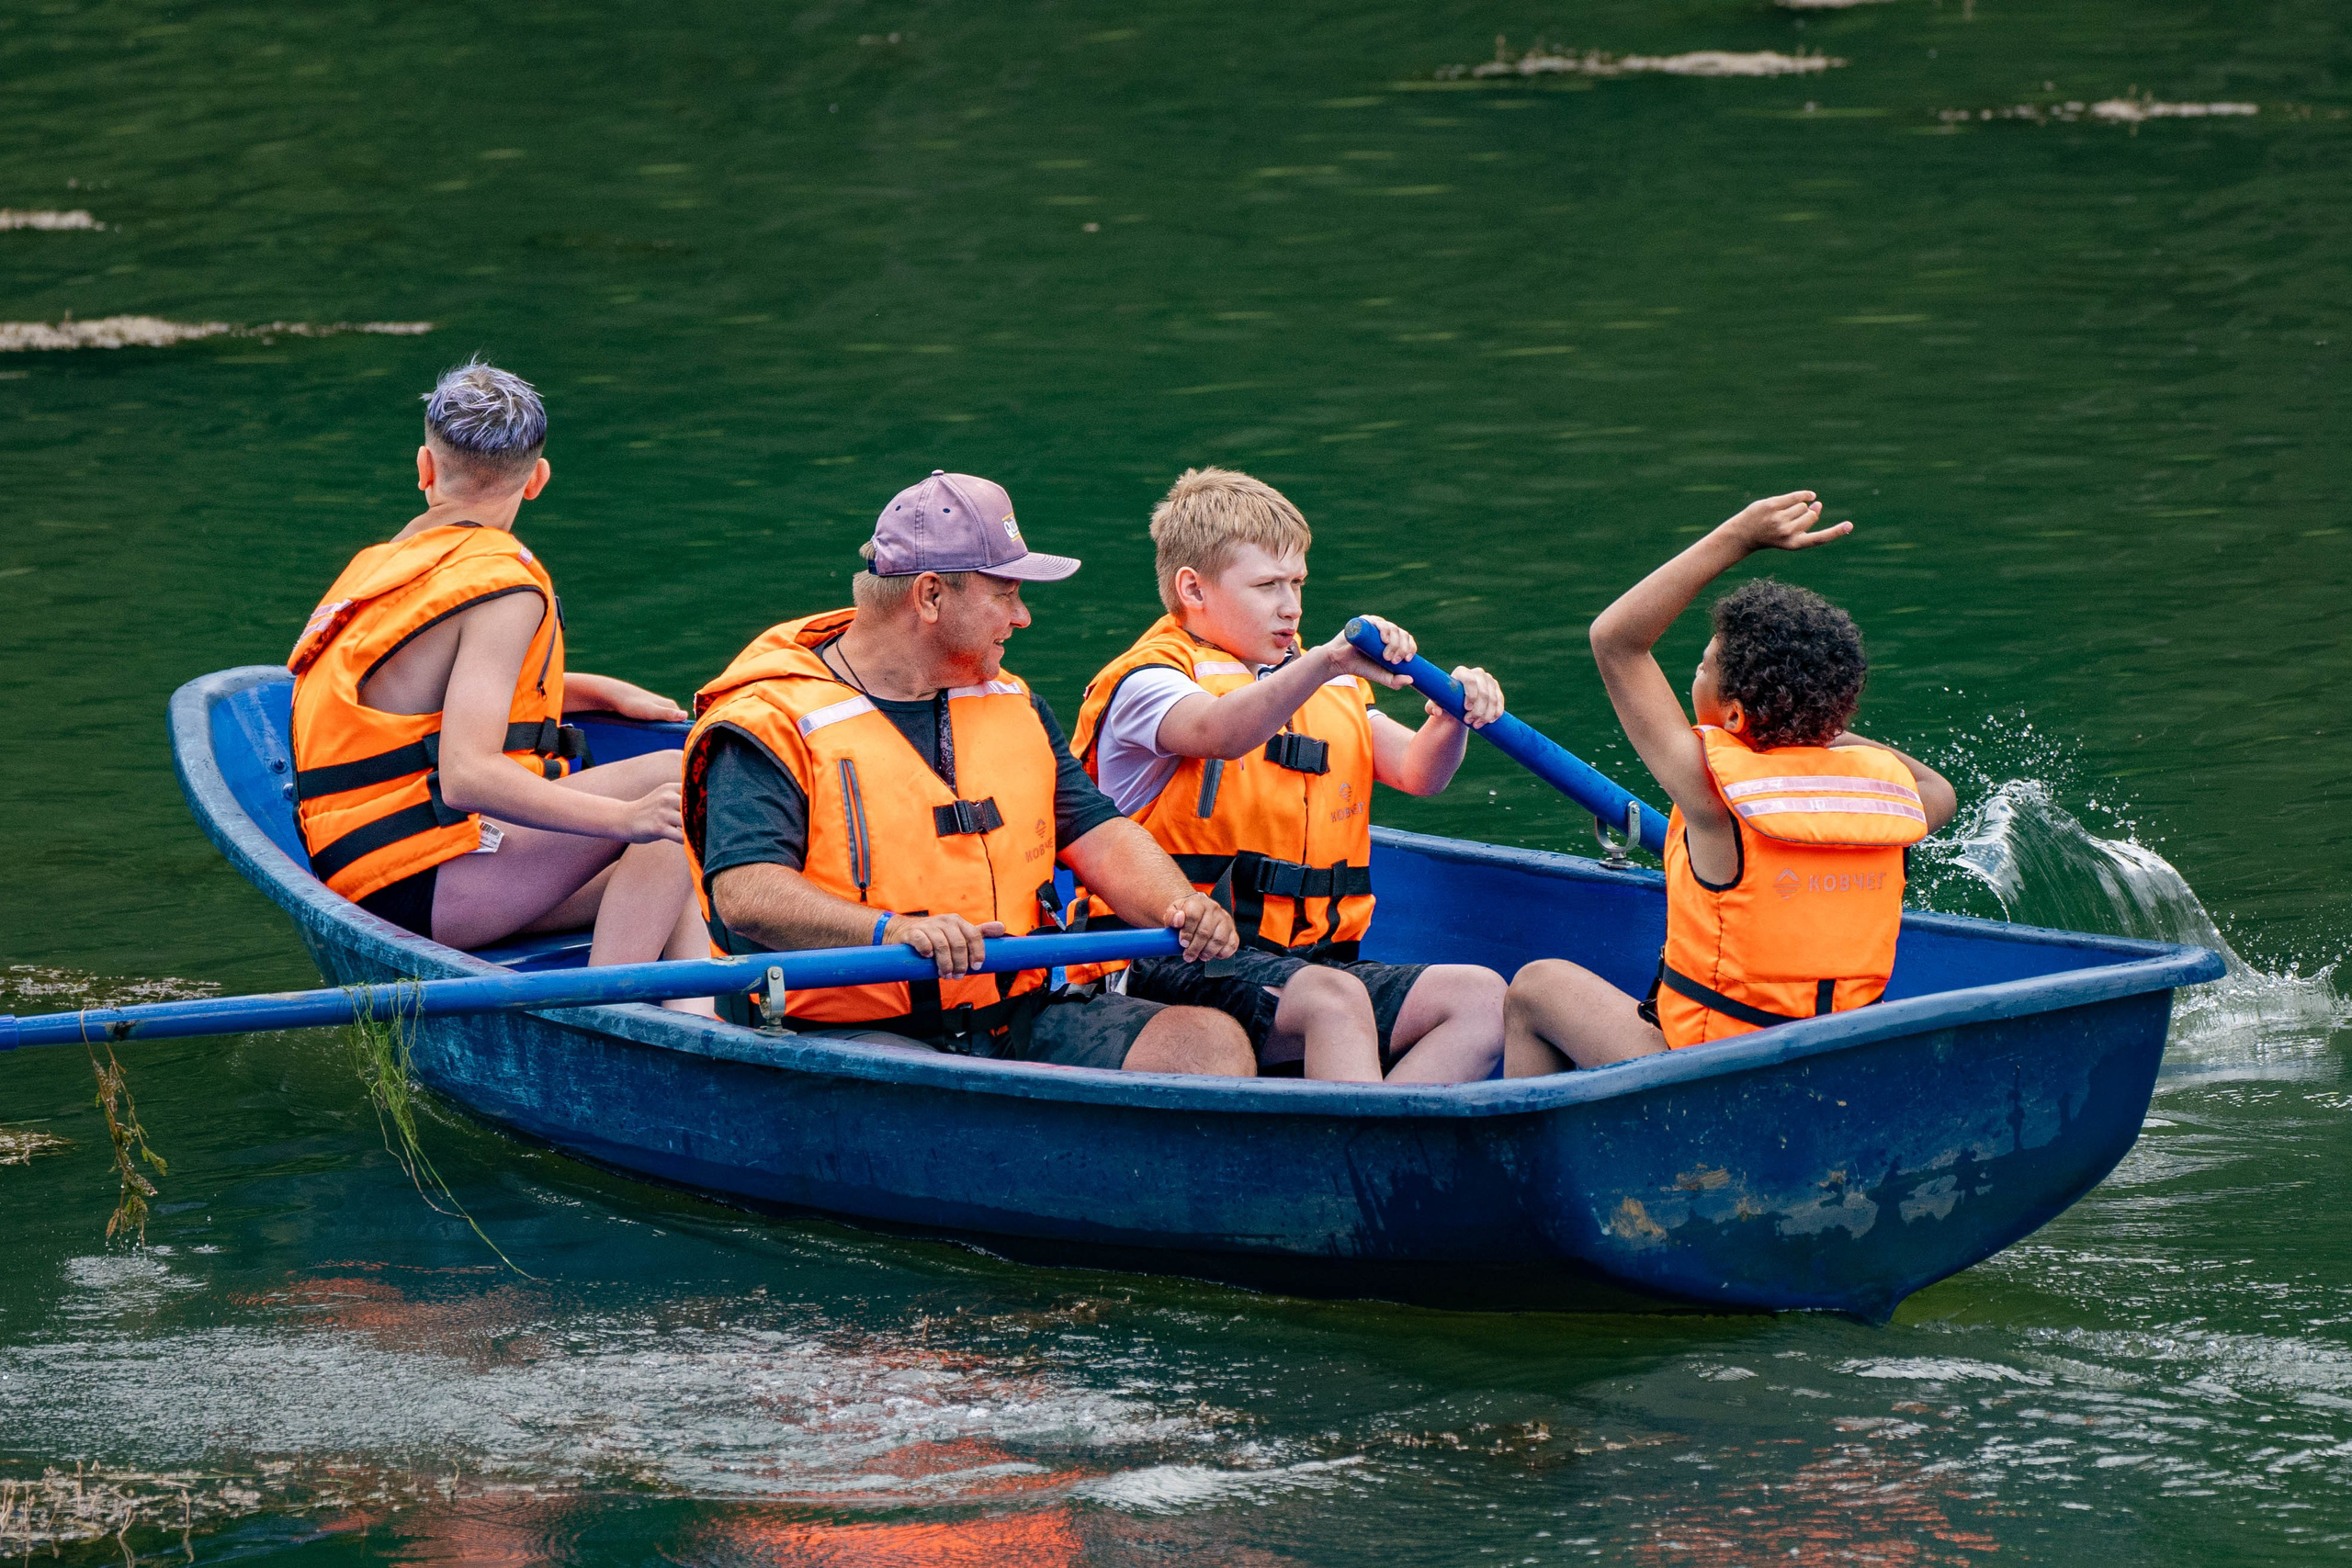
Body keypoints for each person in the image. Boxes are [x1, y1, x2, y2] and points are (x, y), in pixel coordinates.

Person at [682, 469, 1254, 1074]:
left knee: (1207, 1042)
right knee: (930, 1086)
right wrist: (889, 931)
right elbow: (745, 893)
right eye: (1005, 593)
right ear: (930, 596)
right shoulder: (768, 723)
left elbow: (1101, 837)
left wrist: (1180, 906)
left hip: (1016, 1017)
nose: (1024, 616)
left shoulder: (1013, 702)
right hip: (844, 1035)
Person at [1066, 467, 1510, 1084]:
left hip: (1308, 962)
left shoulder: (1319, 679)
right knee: (1332, 999)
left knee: (1483, 999)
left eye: (1298, 582)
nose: (1292, 606)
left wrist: (1452, 715)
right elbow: (1220, 731)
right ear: (1193, 589)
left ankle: (1380, 1151)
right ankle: (1358, 1167)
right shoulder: (1151, 681)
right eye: (1268, 585)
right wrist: (1326, 661)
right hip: (1175, 961)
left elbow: (1418, 771)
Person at [288, 361, 710, 999]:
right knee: (681, 786)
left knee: (672, 861)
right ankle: (612, 1016)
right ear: (537, 480)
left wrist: (594, 692)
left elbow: (421, 698)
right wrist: (624, 815)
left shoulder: (384, 567)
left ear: (425, 468)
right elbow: (466, 774)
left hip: (365, 871)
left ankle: (694, 1017)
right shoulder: (502, 587)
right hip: (419, 883)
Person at [1504, 490, 1959, 1073]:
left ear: (1735, 716)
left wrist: (1739, 537)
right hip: (1839, 1063)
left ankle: (1534, 1160)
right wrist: (1816, 732)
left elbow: (1616, 640)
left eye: (1700, 668)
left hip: (1712, 1071)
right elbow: (1940, 789)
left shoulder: (1708, 795)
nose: (1693, 676)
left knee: (1536, 988)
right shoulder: (1902, 797)